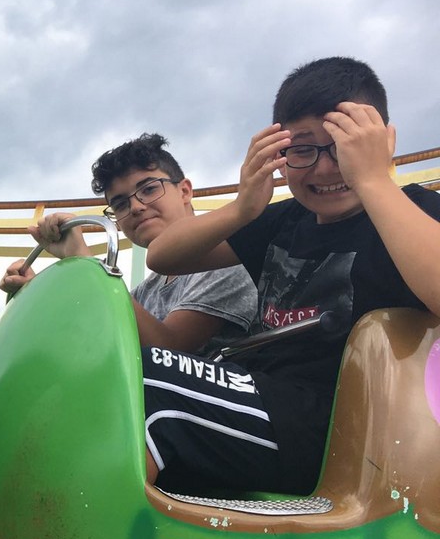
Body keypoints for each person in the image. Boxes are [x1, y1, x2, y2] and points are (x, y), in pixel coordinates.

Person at [143, 57, 440, 496]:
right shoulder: (283, 221)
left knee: (148, 385)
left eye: (344, 144)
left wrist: (374, 180)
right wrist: (243, 207)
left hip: (338, 424)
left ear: (384, 142)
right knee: (128, 372)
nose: (325, 168)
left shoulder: (416, 212)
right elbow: (163, 256)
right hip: (258, 396)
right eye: (302, 150)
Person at [0, 134, 256, 356]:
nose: (135, 207)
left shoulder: (228, 259)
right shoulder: (144, 292)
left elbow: (168, 351)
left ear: (185, 191)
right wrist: (35, 293)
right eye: (121, 204)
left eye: (149, 189)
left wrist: (85, 260)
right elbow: (87, 341)